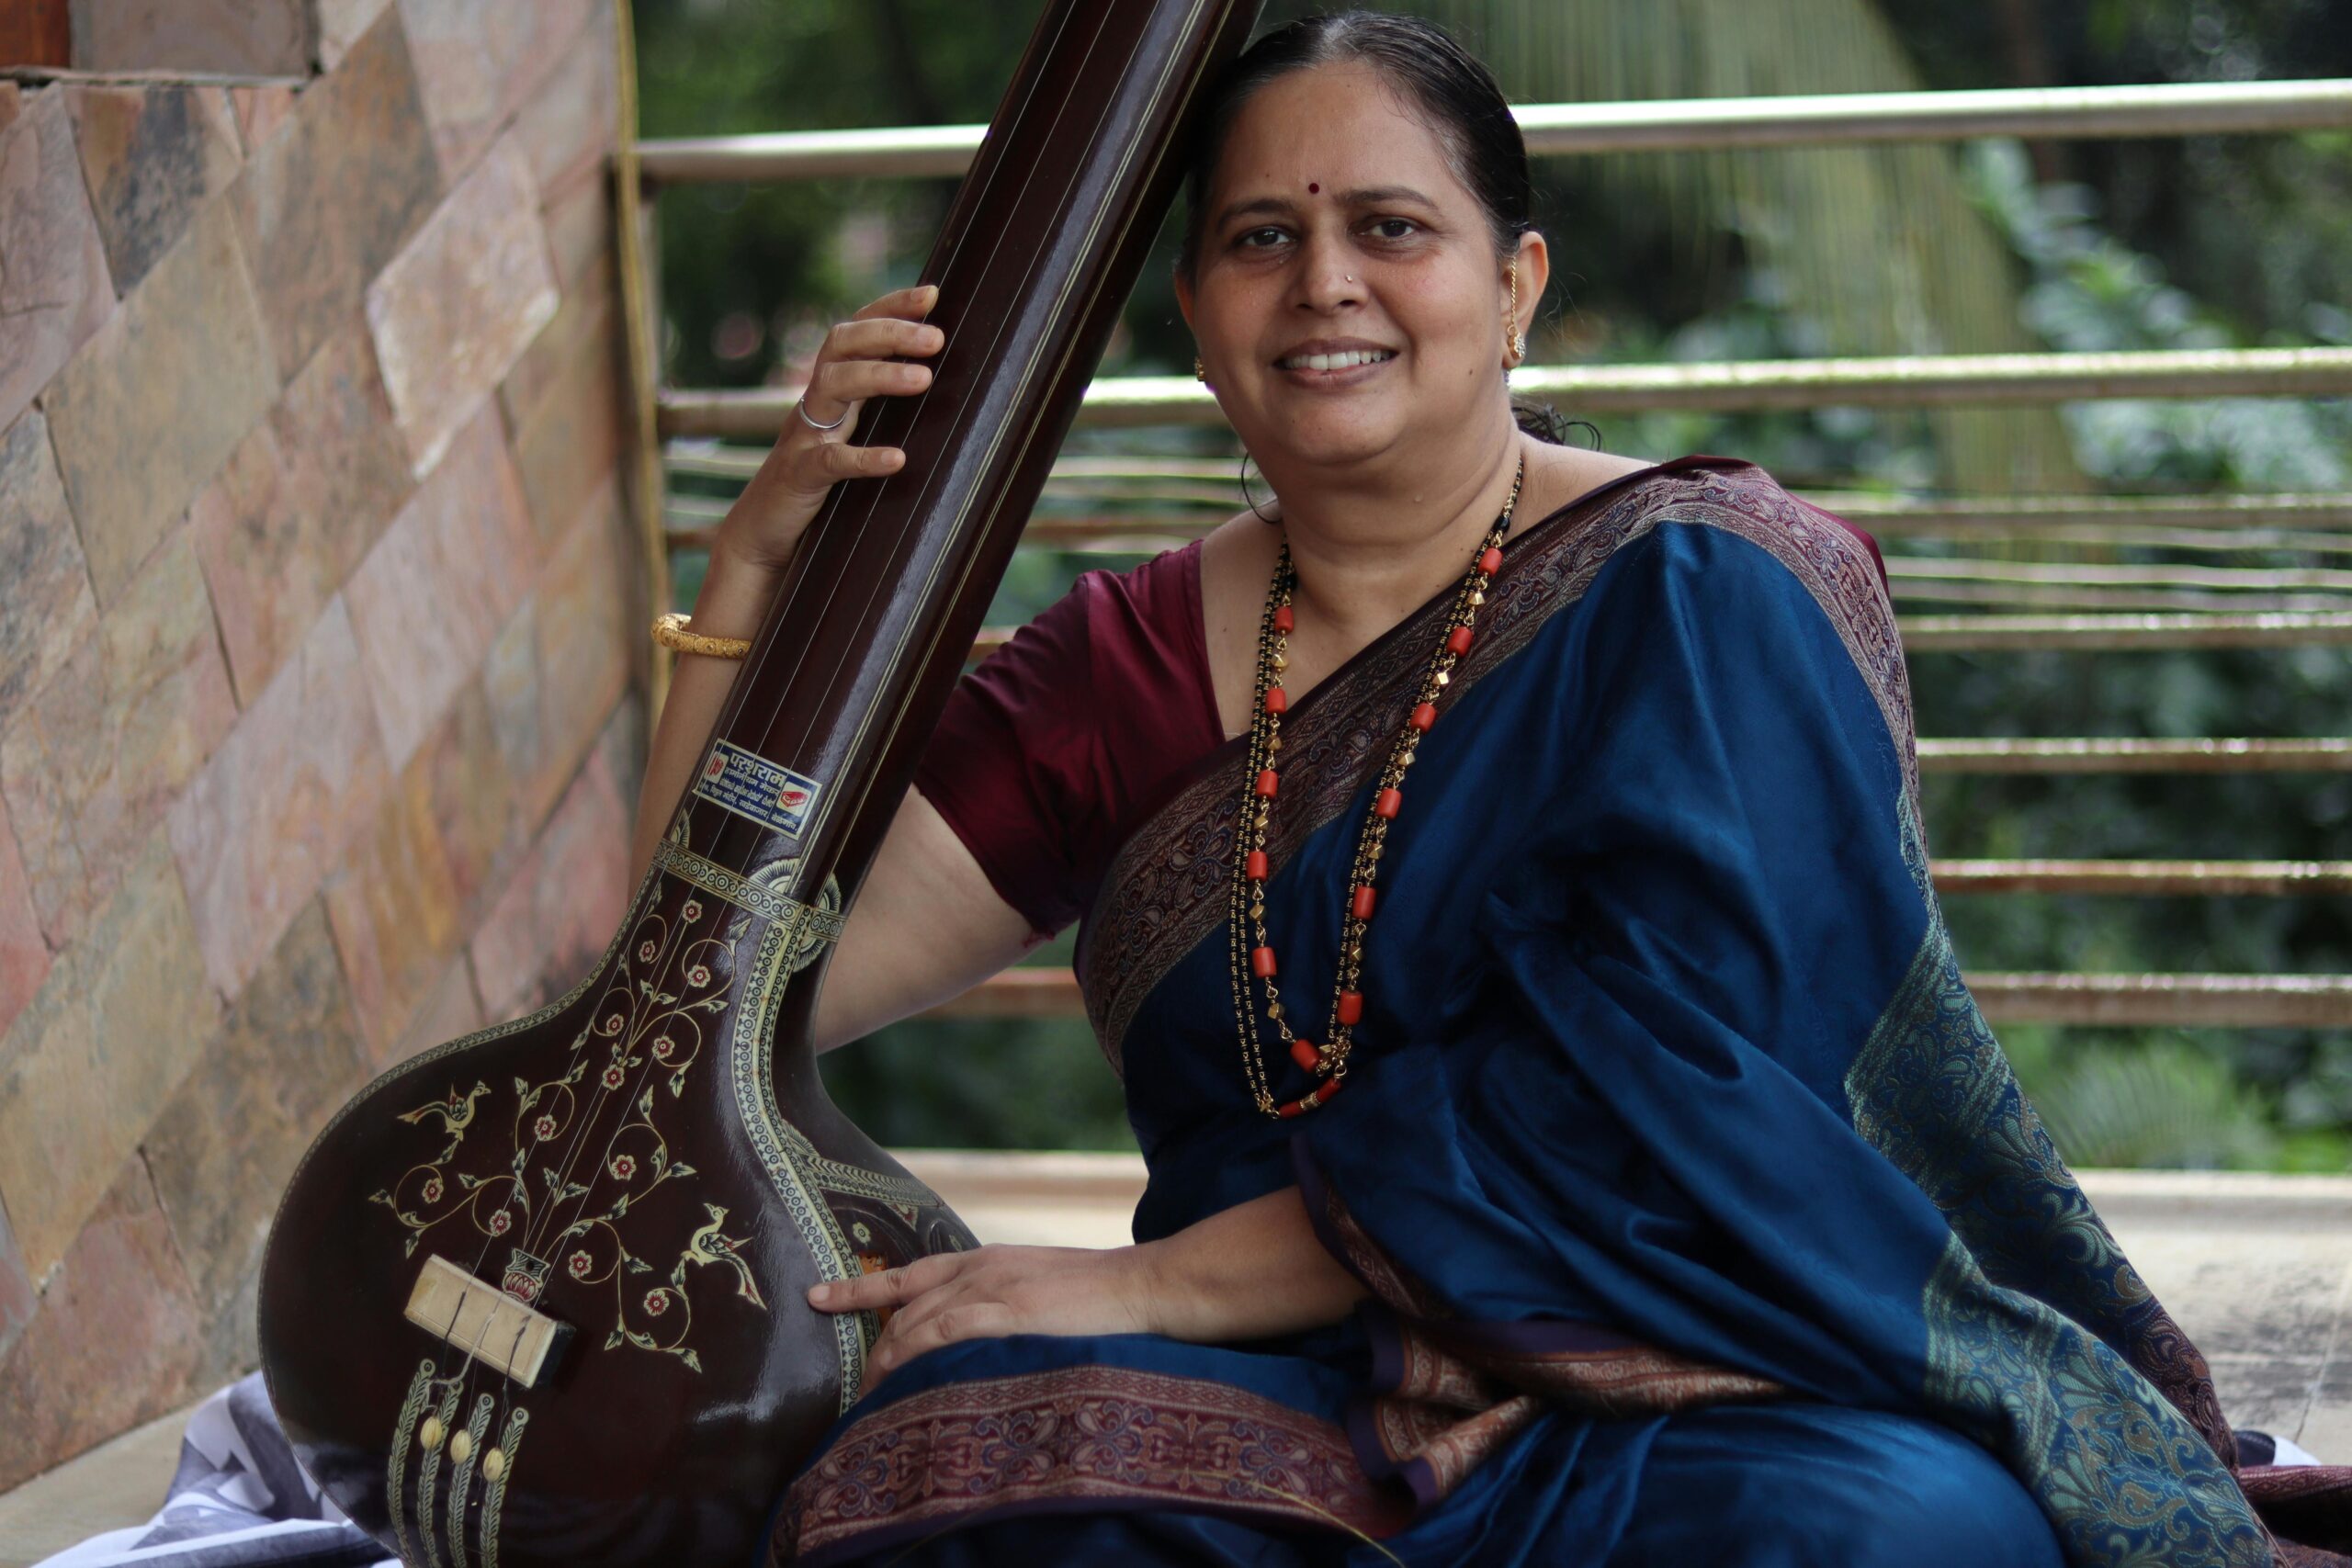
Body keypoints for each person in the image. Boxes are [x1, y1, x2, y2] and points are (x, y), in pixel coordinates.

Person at [633, 14, 2329, 1567]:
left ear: (1514, 284)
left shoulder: (1703, 592)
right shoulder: (1121, 668)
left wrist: (1144, 1282)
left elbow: (1651, 1125)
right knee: (914, 1491)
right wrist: (754, 580)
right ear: (1196, 323)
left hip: (1697, 1362)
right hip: (1279, 1394)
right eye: (1260, 240)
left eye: (1391, 227)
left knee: (1898, 1540)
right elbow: (693, 994)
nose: (1325, 287)